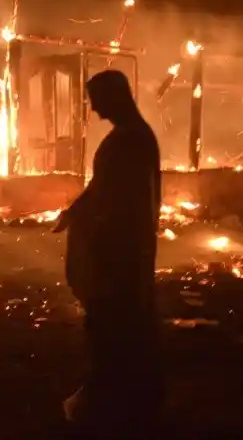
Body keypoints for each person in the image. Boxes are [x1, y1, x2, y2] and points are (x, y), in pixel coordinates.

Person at [53, 69, 164, 437]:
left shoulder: (131, 141)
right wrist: (75, 212)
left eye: (96, 99)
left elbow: (122, 202)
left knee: (116, 325)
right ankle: (121, 398)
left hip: (121, 253)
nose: (94, 109)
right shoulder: (129, 138)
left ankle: (117, 404)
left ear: (115, 97)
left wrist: (98, 238)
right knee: (115, 325)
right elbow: (101, 187)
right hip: (121, 249)